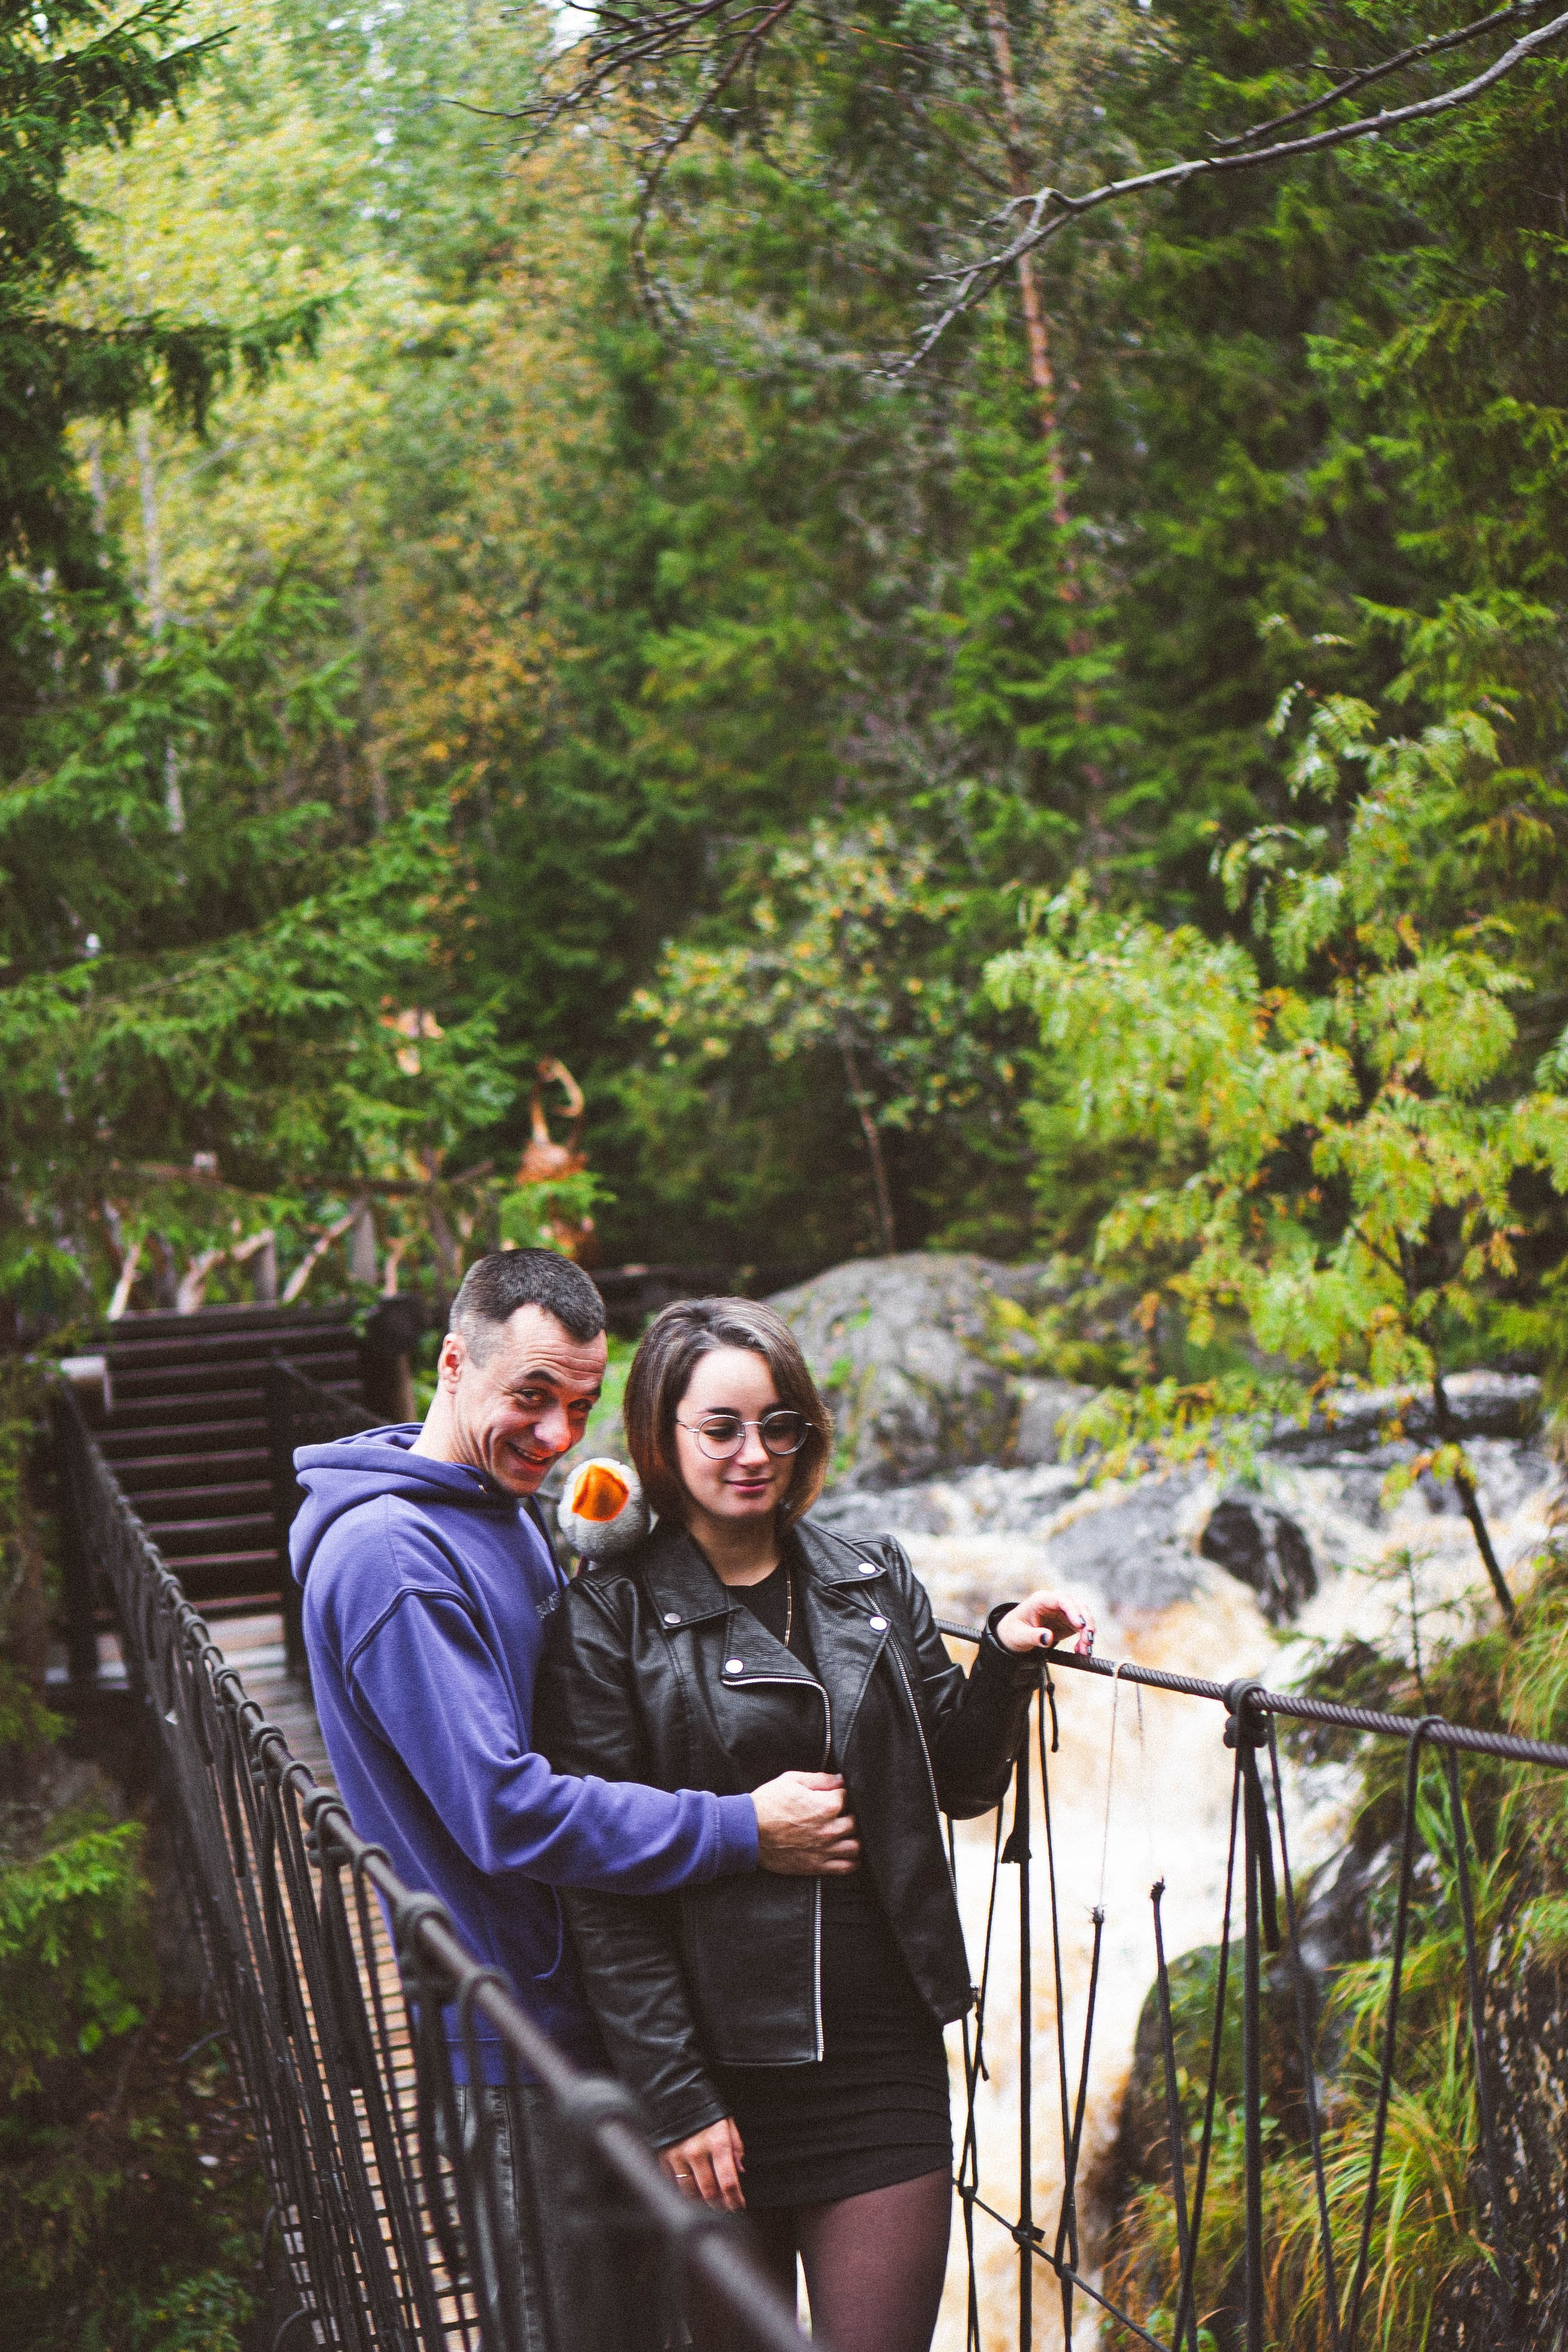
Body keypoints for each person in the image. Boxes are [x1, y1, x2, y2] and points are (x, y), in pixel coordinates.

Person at [290, 1251, 859, 2351]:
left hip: (579, 2023)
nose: (555, 1436)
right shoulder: (392, 1560)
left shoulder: (492, 1509)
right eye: (532, 1397)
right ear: (452, 1364)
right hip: (519, 2051)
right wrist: (744, 1829)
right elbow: (505, 1808)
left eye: (581, 1407)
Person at [533, 1297, 1095, 2352]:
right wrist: (675, 2096)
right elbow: (600, 1878)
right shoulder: (606, 1616)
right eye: (722, 1428)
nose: (755, 1454)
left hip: (881, 2058)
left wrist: (1004, 1662)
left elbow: (961, 1782)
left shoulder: (870, 1577)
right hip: (714, 2069)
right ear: (661, 1435)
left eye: (778, 1424)